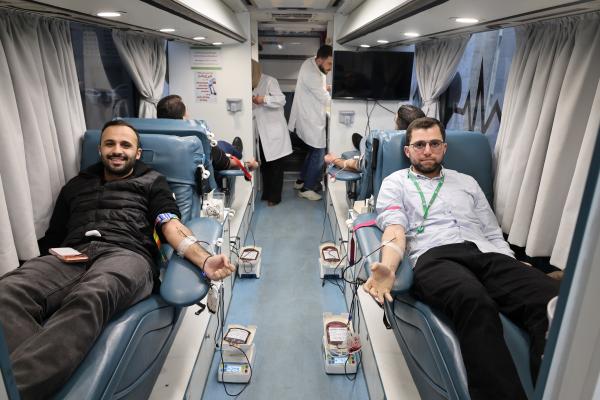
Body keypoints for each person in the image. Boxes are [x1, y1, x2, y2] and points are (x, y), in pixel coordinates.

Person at [0, 120, 236, 399]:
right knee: (9, 290)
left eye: (126, 145)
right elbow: (53, 238)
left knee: (92, 294)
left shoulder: (153, 182)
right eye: (110, 144)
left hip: (127, 255)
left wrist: (204, 259)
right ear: (100, 149)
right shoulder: (75, 185)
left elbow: (170, 224)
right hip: (72, 255)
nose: (117, 150)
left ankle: (17, 390)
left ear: (137, 153)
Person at [363, 117, 560, 400]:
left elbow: (491, 232)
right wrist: (389, 267)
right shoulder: (396, 183)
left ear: (444, 148)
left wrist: (511, 263)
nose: (427, 150)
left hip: (485, 253)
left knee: (551, 300)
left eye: (434, 144)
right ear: (408, 151)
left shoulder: (467, 182)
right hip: (434, 256)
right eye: (419, 145)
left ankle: (555, 389)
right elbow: (394, 229)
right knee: (473, 300)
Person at [156, 95, 258, 172]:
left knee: (219, 146)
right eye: (186, 112)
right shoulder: (197, 138)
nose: (188, 115)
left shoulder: (152, 138)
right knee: (222, 145)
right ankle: (237, 152)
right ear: (183, 118)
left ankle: (234, 150)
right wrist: (248, 165)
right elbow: (225, 163)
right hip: (203, 179)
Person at [288, 44, 333, 201]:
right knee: (319, 153)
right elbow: (324, 98)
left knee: (313, 150)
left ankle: (301, 180)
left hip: (308, 117)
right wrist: (340, 104)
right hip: (310, 119)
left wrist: (325, 87)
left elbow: (319, 88)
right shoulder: (311, 73)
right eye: (329, 64)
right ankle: (307, 188)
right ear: (319, 60)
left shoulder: (310, 63)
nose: (330, 68)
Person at [324, 104, 425, 172]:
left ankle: (362, 143)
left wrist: (334, 160)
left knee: (365, 143)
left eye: (395, 121)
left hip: (370, 154)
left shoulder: (383, 147)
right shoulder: (428, 152)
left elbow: (356, 165)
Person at [251, 60, 293, 206]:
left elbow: (282, 100)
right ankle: (267, 193)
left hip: (274, 131)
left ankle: (275, 197)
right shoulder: (249, 84)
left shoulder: (269, 81)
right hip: (261, 133)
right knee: (265, 166)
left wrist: (264, 99)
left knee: (276, 166)